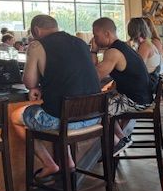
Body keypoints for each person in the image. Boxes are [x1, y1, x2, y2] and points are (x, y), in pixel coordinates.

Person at [14, 15, 100, 179]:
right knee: (60, 110)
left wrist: (34, 86)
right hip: (94, 117)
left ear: (36, 30)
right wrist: (40, 87)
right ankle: (67, 161)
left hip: (63, 121)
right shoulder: (80, 43)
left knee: (16, 116)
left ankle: (49, 164)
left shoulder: (36, 45)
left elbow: (29, 81)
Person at [91, 17, 153, 153]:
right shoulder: (124, 47)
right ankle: (121, 138)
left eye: (96, 35)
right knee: (103, 101)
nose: (94, 39)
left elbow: (94, 76)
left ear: (107, 34)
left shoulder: (113, 52)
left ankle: (117, 141)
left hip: (135, 101)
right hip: (143, 97)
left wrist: (93, 51)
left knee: (96, 108)